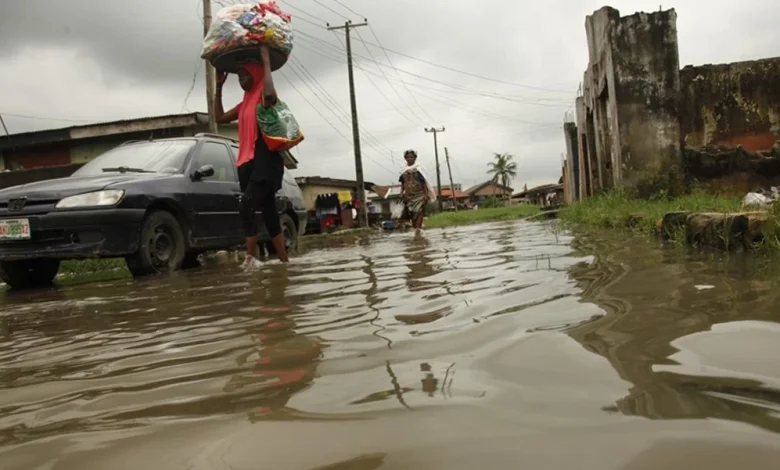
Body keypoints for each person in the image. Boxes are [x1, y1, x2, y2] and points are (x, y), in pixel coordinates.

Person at [214, 44, 288, 267]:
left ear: (255, 73)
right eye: (239, 76)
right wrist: (219, 86)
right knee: (268, 211)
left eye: (244, 74)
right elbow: (219, 118)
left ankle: (250, 259)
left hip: (266, 163)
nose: (241, 79)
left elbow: (270, 94)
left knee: (245, 205)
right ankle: (285, 262)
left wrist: (265, 62)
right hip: (246, 163)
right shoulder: (244, 103)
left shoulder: (263, 97)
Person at [399, 149, 436, 230]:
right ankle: (416, 229)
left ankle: (418, 229)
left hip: (419, 194)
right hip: (409, 196)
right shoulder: (403, 170)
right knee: (412, 213)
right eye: (408, 157)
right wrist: (401, 193)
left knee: (419, 211)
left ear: (415, 158)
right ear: (405, 158)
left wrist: (425, 194)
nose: (409, 159)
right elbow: (402, 183)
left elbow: (424, 182)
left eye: (411, 157)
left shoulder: (419, 169)